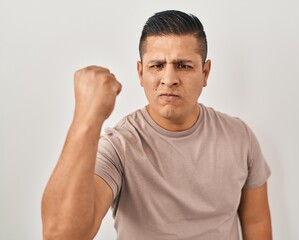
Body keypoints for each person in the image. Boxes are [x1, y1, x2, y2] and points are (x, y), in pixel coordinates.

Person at [41, 10, 272, 240]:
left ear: (205, 72)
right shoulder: (119, 145)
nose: (169, 79)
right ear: (140, 73)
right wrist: (87, 117)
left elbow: (257, 221)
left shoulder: (240, 137)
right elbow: (60, 235)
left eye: (183, 66)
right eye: (157, 65)